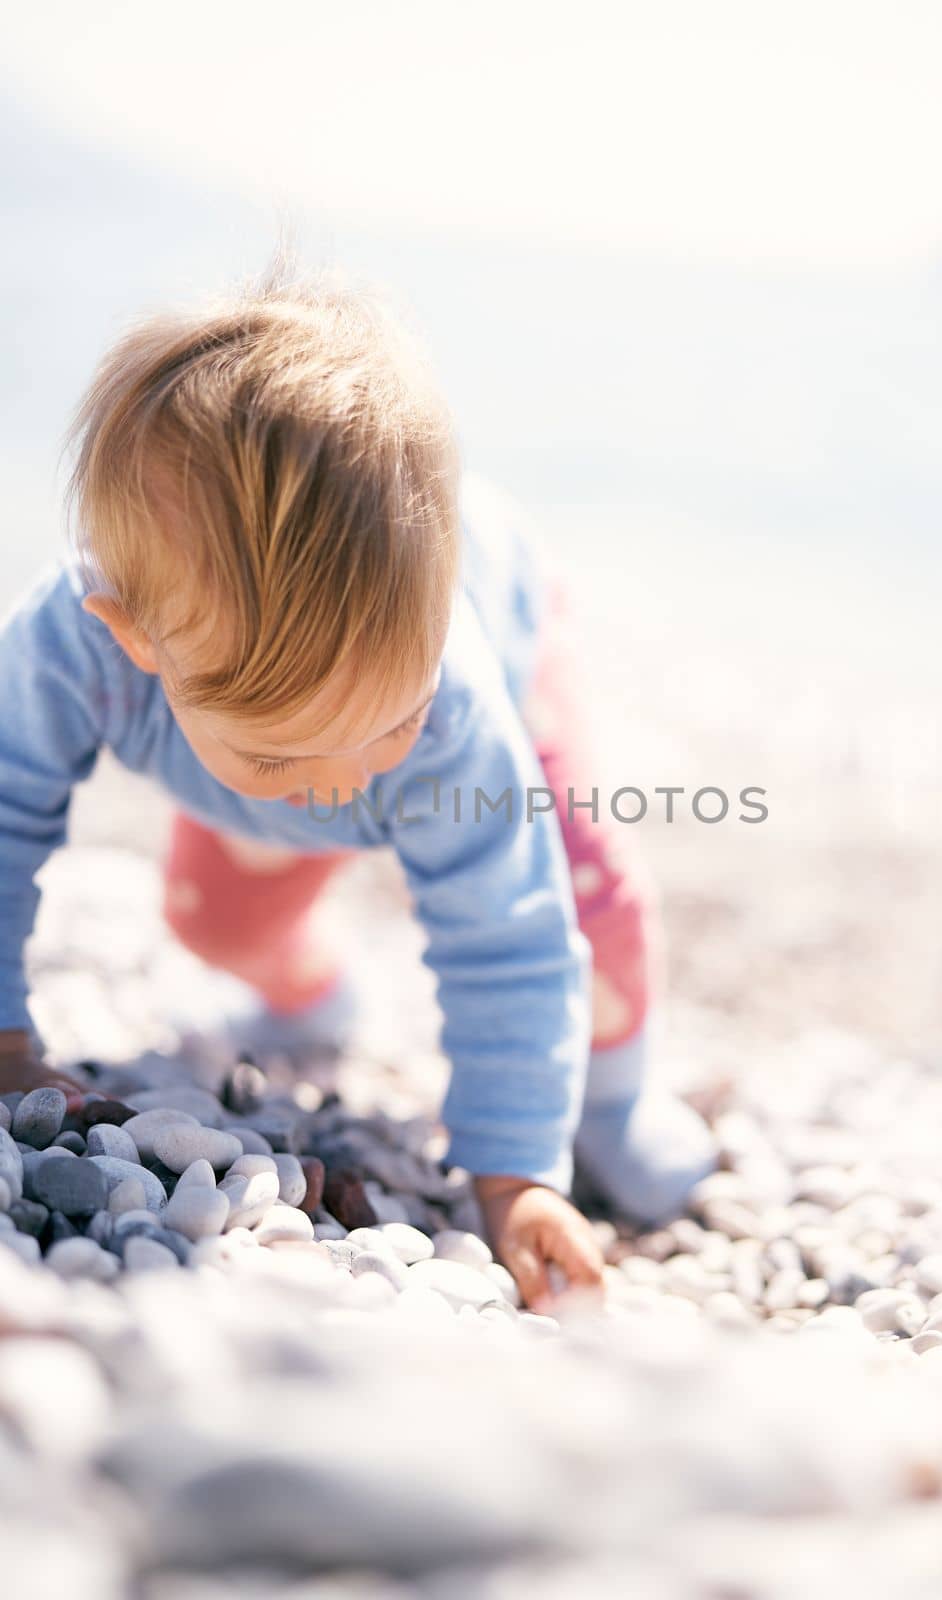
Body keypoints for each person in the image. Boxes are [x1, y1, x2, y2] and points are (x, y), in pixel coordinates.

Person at [0, 263, 716, 1310]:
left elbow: (504, 936)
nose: (343, 784)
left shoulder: (455, 705)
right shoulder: (68, 651)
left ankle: (609, 1097)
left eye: (388, 721)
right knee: (214, 916)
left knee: (582, 888)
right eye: (283, 755)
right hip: (292, 735)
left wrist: (513, 1177)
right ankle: (310, 992)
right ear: (136, 642)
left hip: (514, 637)